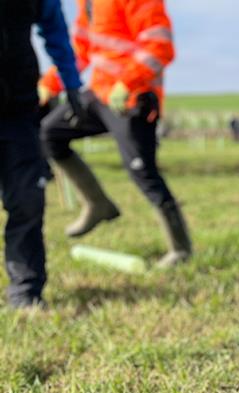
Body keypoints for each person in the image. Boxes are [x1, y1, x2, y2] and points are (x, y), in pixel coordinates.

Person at [38, 0, 191, 268]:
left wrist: (128, 81)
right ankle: (98, 204)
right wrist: (51, 82)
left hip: (134, 97)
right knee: (50, 133)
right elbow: (81, 49)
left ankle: (180, 248)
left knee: (142, 171)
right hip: (99, 91)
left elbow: (160, 47)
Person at [0, 0, 83, 309]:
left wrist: (72, 83)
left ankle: (25, 292)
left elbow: (54, 28)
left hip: (18, 107)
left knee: (27, 201)